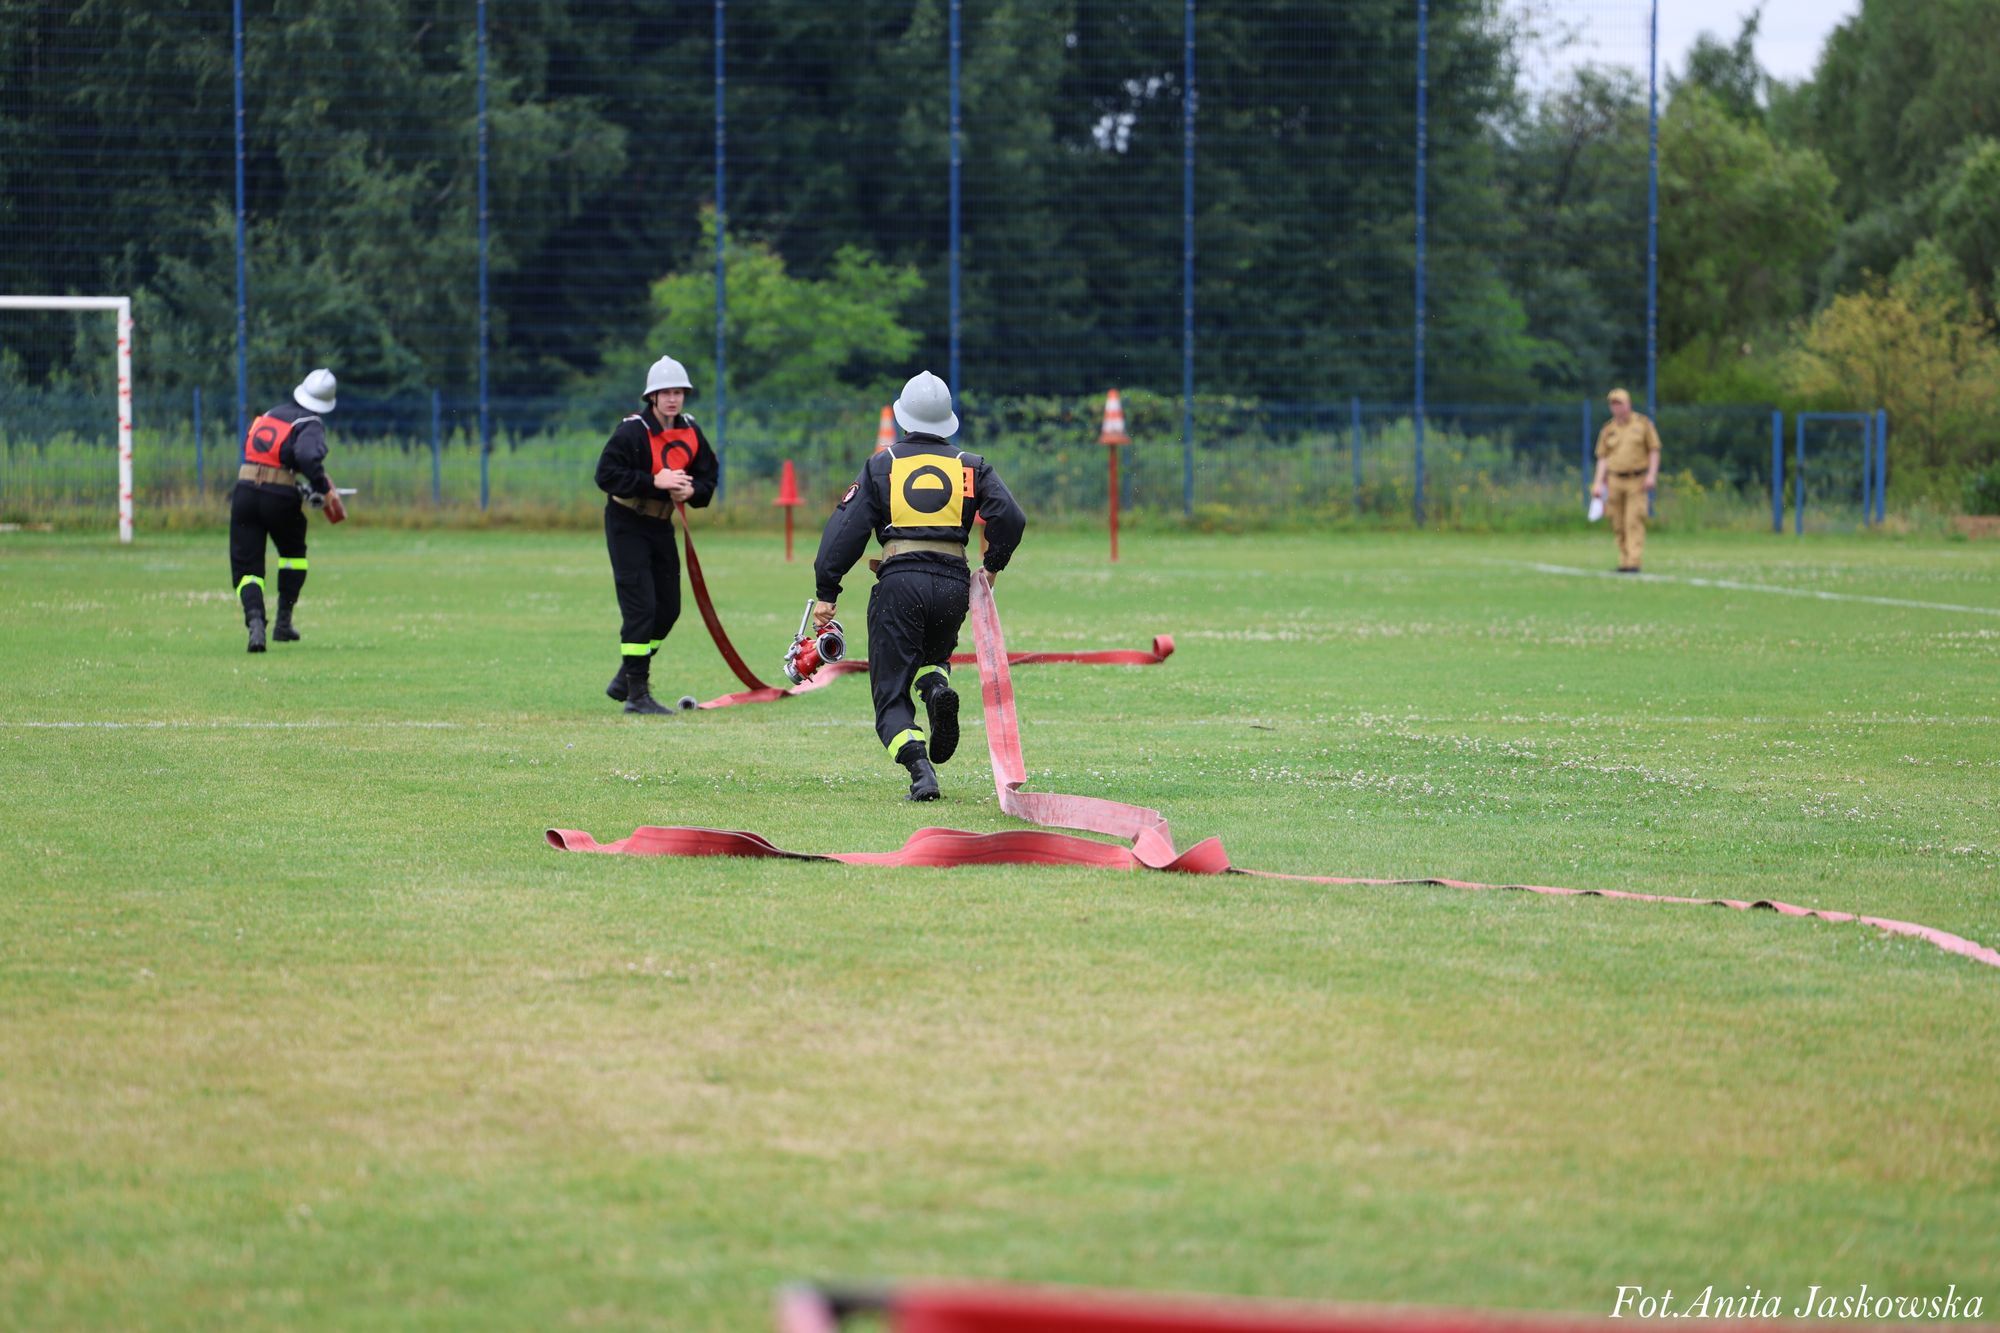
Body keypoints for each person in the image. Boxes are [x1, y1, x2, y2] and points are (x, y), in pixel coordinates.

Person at [812, 370, 1026, 800]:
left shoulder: (883, 464)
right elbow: (1011, 517)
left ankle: (919, 770)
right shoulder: (971, 465)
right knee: (933, 655)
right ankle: (937, 688)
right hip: (952, 583)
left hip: (900, 581)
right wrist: (993, 566)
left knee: (890, 690)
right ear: (948, 419)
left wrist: (827, 590)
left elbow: (845, 532)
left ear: (903, 417)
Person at [595, 355, 717, 714]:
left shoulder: (691, 431)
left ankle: (626, 677)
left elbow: (709, 478)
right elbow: (605, 476)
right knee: (641, 609)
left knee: (668, 610)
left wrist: (691, 491)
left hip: (662, 523)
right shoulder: (632, 431)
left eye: (678, 392)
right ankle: (636, 695)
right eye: (664, 392)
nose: (672, 398)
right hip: (626, 522)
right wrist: (653, 481)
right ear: (651, 396)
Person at [230, 368, 338, 652]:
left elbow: (258, 449)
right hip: (278, 496)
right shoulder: (310, 421)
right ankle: (282, 623)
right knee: (293, 557)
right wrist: (322, 488)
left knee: (247, 567)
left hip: (244, 491)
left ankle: (255, 622)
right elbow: (305, 455)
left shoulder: (271, 413)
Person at [1590, 387, 1661, 573]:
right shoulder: (1608, 429)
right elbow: (1602, 458)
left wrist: (1651, 475)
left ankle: (1633, 562)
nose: (1616, 408)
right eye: (1613, 404)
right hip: (1614, 480)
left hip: (1637, 479)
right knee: (1618, 522)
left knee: (1633, 520)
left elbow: (1654, 449)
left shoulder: (1643, 424)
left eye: (1619, 403)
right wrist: (1598, 483)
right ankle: (1623, 561)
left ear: (1628, 404)